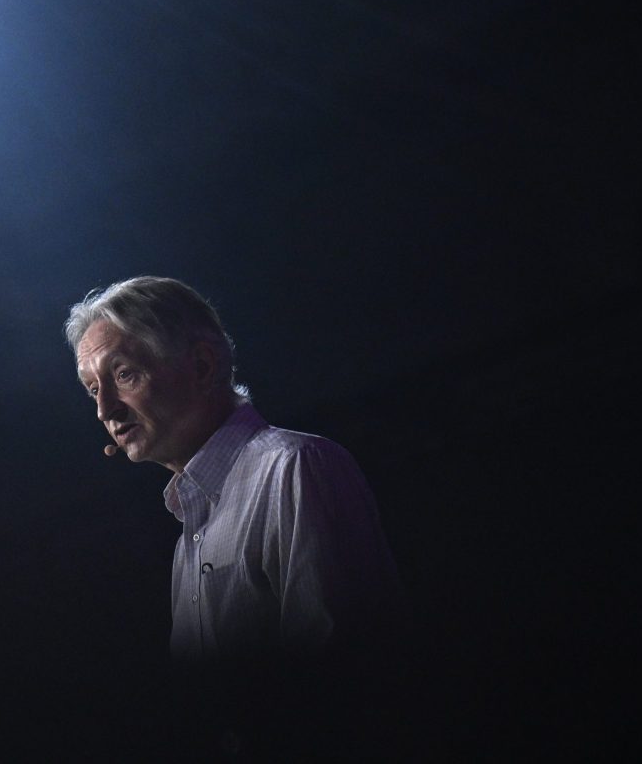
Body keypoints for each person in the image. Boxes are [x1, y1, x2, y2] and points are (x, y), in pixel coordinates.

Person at [65, 276, 404, 664]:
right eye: (94, 389)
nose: (104, 410)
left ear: (202, 366)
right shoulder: (190, 532)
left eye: (124, 375)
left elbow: (351, 667)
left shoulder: (293, 469)